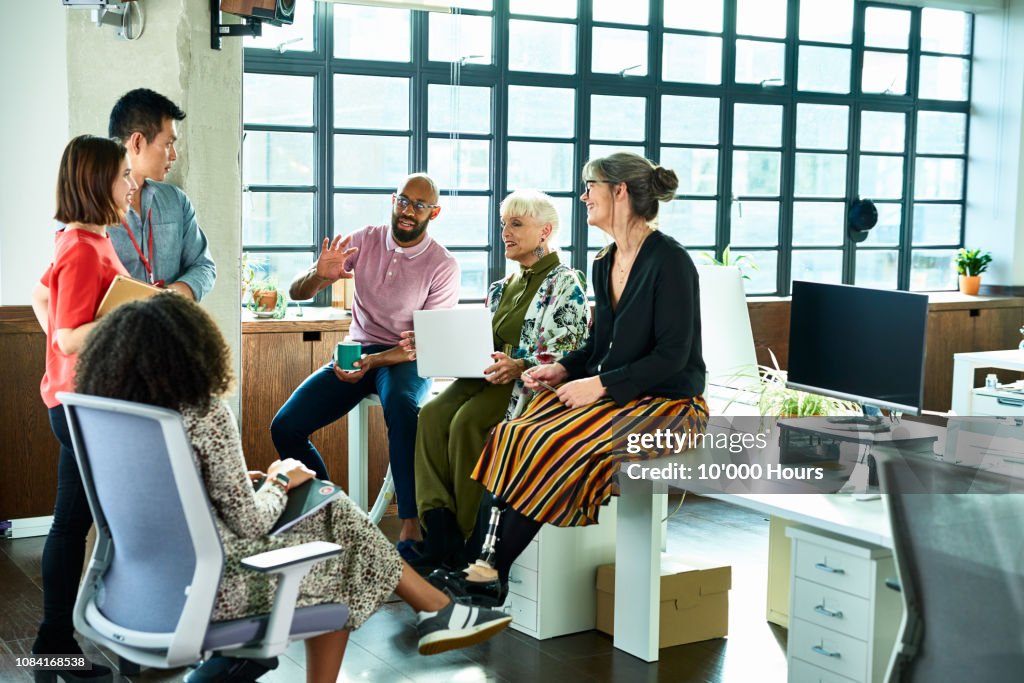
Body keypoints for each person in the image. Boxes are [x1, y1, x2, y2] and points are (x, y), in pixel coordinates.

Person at [73, 294, 512, 683]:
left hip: (134, 587)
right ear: (192, 350)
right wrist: (281, 480)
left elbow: (165, 491)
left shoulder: (114, 416)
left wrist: (238, 482)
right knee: (339, 559)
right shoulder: (204, 413)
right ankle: (438, 610)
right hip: (216, 587)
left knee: (329, 506)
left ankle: (437, 610)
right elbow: (249, 521)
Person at [434, 153, 709, 606]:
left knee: (552, 441)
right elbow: (601, 346)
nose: (583, 196)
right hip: (622, 396)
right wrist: (564, 368)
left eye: (590, 186)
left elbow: (672, 357)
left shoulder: (671, 262)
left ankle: (487, 572)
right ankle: (478, 567)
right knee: (512, 433)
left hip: (670, 406)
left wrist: (598, 385)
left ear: (619, 191)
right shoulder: (605, 262)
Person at [400, 190, 590, 572]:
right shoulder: (502, 286)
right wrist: (438, 345)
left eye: (517, 225)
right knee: (432, 414)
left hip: (523, 384)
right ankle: (438, 531)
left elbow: (572, 348)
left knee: (466, 423)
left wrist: (520, 365)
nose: (505, 232)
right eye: (504, 224)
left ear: (545, 232)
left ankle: (470, 540)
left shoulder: (565, 283)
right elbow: (480, 341)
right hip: (483, 376)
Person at [271, 173, 459, 551]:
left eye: (419, 205)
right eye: (403, 201)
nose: (408, 211)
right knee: (286, 426)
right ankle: (330, 512)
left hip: (403, 359)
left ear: (433, 213)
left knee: (403, 409)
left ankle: (410, 525)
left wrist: (373, 364)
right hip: (357, 350)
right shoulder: (364, 240)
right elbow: (297, 292)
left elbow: (422, 346)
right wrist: (318, 275)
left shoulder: (443, 265)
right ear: (393, 201)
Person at [28, 135, 139, 681]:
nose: (131, 183)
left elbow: (41, 298)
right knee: (86, 525)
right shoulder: (79, 246)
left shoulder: (80, 239)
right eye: (123, 175)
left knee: (74, 524)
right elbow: (72, 337)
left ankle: (57, 645)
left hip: (77, 402)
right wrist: (135, 314)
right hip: (82, 407)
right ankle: (73, 644)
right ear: (98, 181)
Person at [35, 88, 217, 313]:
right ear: (138, 142)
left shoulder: (177, 202)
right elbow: (51, 300)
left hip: (169, 336)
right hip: (116, 342)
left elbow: (204, 266)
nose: (174, 155)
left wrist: (169, 297)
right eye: (168, 143)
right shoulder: (86, 215)